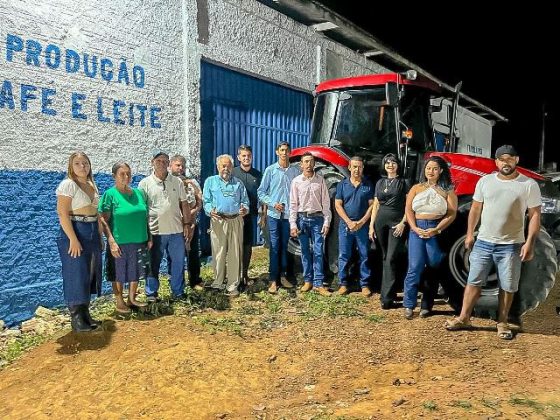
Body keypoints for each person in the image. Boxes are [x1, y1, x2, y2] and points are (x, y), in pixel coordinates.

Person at [445, 145, 541, 340]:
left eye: (510, 158)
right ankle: (464, 318)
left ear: (516, 160)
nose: (506, 162)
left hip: (511, 245)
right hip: (483, 242)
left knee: (507, 286)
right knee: (473, 281)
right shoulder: (485, 181)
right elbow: (475, 209)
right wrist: (470, 234)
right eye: (502, 159)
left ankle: (502, 322)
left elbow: (535, 215)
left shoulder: (528, 184)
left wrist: (530, 242)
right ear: (496, 162)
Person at [402, 156, 457, 319]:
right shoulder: (416, 188)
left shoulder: (448, 190)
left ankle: (427, 305)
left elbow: (452, 213)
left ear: (441, 171)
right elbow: (408, 210)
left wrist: (436, 230)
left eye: (434, 168)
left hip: (436, 228)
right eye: (428, 168)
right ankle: (409, 304)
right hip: (417, 228)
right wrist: (414, 227)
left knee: (433, 265)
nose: (431, 171)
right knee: (415, 266)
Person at [56, 152, 102, 332]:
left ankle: (85, 314)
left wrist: (100, 237)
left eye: (85, 163)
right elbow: (62, 214)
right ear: (71, 166)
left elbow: (97, 214)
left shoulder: (92, 185)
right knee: (75, 273)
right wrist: (73, 239)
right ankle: (76, 318)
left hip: (92, 230)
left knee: (89, 272)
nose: (82, 166)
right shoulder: (68, 184)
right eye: (77, 163)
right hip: (75, 230)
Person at [138, 152, 192, 301]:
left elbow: (184, 204)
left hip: (176, 231)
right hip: (155, 231)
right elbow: (142, 209)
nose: (162, 164)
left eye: (164, 161)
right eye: (158, 161)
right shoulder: (144, 183)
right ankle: (151, 293)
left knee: (178, 263)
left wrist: (187, 224)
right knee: (153, 264)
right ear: (152, 162)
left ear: (168, 164)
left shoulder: (177, 182)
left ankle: (178, 292)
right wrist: (145, 232)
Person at [99, 162, 151, 313]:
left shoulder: (138, 193)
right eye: (122, 174)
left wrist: (149, 237)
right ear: (114, 176)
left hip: (139, 239)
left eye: (128, 173)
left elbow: (145, 217)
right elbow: (103, 219)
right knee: (118, 272)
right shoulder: (110, 194)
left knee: (136, 270)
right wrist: (111, 241)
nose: (126, 177)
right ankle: (119, 301)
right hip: (119, 241)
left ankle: (132, 298)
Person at [203, 154, 250, 296]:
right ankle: (218, 282)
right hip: (218, 220)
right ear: (218, 167)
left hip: (235, 220)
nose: (226, 168)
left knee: (235, 253)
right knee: (218, 252)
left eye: (229, 166)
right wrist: (210, 210)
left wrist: (245, 209)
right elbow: (206, 201)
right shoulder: (210, 182)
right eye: (223, 166)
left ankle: (232, 285)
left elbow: (245, 201)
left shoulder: (238, 183)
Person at [257, 141, 300, 294]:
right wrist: (273, 203)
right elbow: (261, 192)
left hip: (288, 216)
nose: (284, 153)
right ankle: (273, 279)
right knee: (275, 246)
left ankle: (283, 276)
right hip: (274, 215)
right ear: (277, 152)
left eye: (286, 150)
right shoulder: (270, 170)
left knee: (284, 245)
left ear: (290, 152)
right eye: (281, 150)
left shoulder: (295, 171)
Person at [369, 153, 410, 309]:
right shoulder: (380, 182)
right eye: (387, 162)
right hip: (380, 222)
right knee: (384, 256)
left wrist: (403, 223)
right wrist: (371, 225)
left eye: (393, 162)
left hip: (396, 223)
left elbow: (409, 205)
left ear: (398, 165)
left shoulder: (404, 182)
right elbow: (376, 205)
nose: (390, 165)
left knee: (392, 257)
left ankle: (386, 298)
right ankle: (388, 293)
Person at [289, 152, 332, 296]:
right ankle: (308, 280)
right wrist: (293, 224)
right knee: (305, 251)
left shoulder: (320, 181)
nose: (308, 164)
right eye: (306, 161)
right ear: (301, 165)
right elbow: (293, 204)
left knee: (319, 251)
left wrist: (326, 222)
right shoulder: (296, 182)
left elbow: (326, 203)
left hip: (317, 220)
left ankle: (318, 283)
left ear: (314, 164)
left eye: (311, 161)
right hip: (302, 220)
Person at [335, 156, 374, 296]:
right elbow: (338, 205)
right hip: (346, 226)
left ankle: (365, 285)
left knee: (364, 255)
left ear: (363, 168)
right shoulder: (342, 184)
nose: (357, 170)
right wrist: (349, 222)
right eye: (354, 167)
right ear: (349, 167)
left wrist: (361, 222)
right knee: (344, 255)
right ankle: (343, 284)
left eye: (359, 167)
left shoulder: (368, 185)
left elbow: (372, 206)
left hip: (362, 226)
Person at [169, 154, 204, 291]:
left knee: (193, 253)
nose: (180, 168)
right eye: (177, 165)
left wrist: (192, 213)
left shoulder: (191, 182)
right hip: (175, 224)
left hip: (192, 223)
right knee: (175, 255)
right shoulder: (168, 182)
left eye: (182, 166)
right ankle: (176, 282)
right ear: (171, 165)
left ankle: (195, 280)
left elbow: (199, 201)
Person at [232, 145, 263, 286]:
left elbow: (262, 195)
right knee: (234, 246)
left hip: (250, 217)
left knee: (247, 246)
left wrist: (263, 215)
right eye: (243, 156)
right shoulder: (232, 173)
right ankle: (234, 276)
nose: (246, 158)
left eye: (249, 155)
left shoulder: (257, 175)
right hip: (233, 217)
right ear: (238, 157)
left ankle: (244, 275)